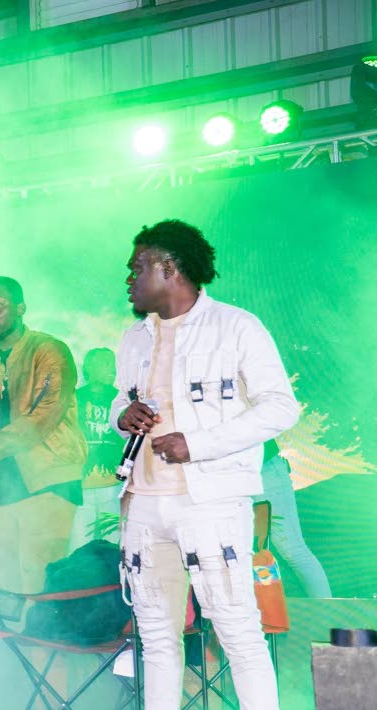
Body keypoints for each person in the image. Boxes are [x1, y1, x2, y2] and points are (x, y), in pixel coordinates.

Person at [114, 219, 298, 709]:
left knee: (238, 630)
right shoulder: (134, 338)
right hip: (144, 504)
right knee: (155, 637)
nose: (128, 279)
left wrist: (197, 444)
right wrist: (121, 416)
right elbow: (119, 400)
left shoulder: (236, 326)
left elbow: (280, 407)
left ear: (169, 268)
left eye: (136, 268)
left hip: (210, 501)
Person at [0, 277, 86, 594]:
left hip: (49, 478)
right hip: (5, 483)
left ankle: (48, 644)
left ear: (21, 308)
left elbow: (41, 417)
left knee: (39, 577)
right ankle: (18, 643)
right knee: (6, 579)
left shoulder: (49, 350)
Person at [254, 439, 331, 597]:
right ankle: (270, 613)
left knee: (293, 551)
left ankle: (326, 612)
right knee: (256, 551)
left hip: (263, 469)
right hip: (228, 478)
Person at [68, 347, 123, 550]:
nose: (113, 368)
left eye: (113, 363)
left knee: (114, 547)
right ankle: (81, 582)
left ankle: (115, 582)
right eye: (105, 363)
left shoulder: (122, 399)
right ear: (89, 367)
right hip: (81, 489)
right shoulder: (73, 399)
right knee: (79, 547)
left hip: (114, 487)